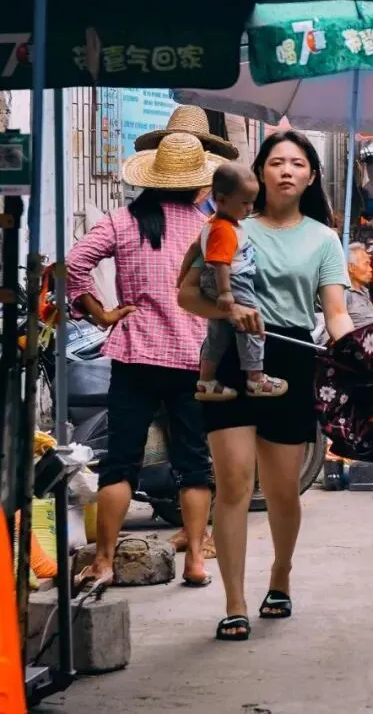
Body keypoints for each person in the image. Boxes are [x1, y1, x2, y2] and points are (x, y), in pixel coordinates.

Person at [177, 128, 352, 643]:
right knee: (232, 482)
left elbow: (335, 313)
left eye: (297, 164)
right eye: (276, 162)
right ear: (258, 173)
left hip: (293, 358)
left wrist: (356, 353)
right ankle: (234, 602)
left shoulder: (324, 238)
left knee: (282, 490)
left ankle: (280, 574)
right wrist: (230, 310)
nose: (286, 171)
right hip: (229, 356)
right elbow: (186, 294)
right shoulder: (225, 227)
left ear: (311, 175)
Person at [67, 132, 217, 590]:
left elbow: (73, 265)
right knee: (194, 462)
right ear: (196, 185)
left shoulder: (121, 221)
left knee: (120, 462)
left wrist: (101, 312)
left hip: (136, 354)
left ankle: (105, 562)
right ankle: (195, 559)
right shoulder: (208, 229)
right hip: (194, 355)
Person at [195, 163, 287, 402]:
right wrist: (226, 292)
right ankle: (255, 379)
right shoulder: (224, 229)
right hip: (234, 282)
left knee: (218, 334)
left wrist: (183, 275)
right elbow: (221, 263)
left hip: (219, 281)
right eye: (244, 203)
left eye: (252, 202)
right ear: (222, 199)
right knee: (252, 325)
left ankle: (205, 380)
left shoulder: (212, 225)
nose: (249, 208)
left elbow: (194, 252)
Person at [345, 242, 373, 331]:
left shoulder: (364, 291)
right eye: (366, 264)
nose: (370, 269)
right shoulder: (345, 294)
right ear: (351, 267)